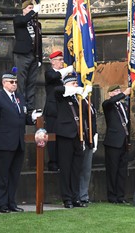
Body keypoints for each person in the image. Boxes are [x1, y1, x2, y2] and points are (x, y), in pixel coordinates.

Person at [0, 69, 42, 213]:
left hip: (18, 142)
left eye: (16, 82)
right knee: (3, 175)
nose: (14, 84)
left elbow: (22, 118)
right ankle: (2, 204)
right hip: (4, 142)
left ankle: (12, 202)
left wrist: (32, 118)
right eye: (11, 82)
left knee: (14, 175)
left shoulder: (19, 97)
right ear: (4, 83)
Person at [54, 74, 86, 208]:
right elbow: (58, 90)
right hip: (66, 136)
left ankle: (76, 197)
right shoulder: (61, 96)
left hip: (78, 136)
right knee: (66, 169)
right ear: (67, 84)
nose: (76, 86)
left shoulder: (77, 99)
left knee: (76, 169)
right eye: (73, 83)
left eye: (76, 83)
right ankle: (67, 198)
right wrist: (72, 89)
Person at [44, 50, 74, 171]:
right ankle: (53, 162)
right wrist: (67, 70)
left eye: (62, 59)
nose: (62, 62)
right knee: (52, 136)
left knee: (62, 137)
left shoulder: (64, 75)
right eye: (60, 60)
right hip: (52, 110)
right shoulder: (50, 73)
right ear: (52, 62)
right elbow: (54, 76)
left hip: (64, 109)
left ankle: (62, 160)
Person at [102, 85, 131, 204]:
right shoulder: (108, 104)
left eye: (119, 90)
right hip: (113, 142)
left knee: (122, 170)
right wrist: (124, 93)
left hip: (123, 141)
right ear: (110, 94)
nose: (118, 93)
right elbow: (112, 101)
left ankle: (120, 196)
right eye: (115, 91)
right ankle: (112, 196)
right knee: (112, 170)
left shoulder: (123, 106)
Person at [13, 0, 42, 112]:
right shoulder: (18, 19)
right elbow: (24, 20)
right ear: (24, 9)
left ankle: (29, 108)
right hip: (22, 55)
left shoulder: (37, 24)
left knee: (31, 83)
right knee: (21, 82)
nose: (32, 10)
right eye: (29, 8)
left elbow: (39, 41)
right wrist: (34, 10)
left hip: (34, 56)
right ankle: (20, 105)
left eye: (32, 7)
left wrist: (39, 58)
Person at [79, 97, 98, 204]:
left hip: (90, 137)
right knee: (79, 168)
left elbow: (93, 121)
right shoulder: (79, 100)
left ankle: (84, 195)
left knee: (86, 169)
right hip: (81, 137)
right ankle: (77, 195)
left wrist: (94, 136)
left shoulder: (90, 101)